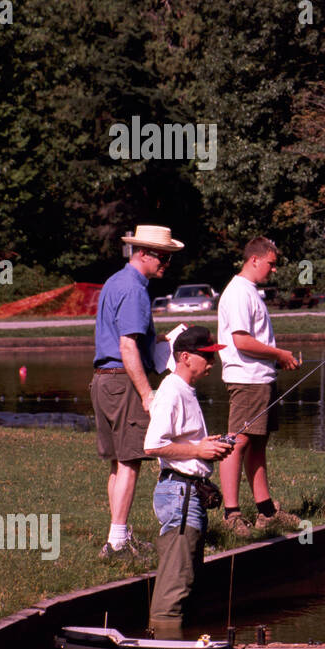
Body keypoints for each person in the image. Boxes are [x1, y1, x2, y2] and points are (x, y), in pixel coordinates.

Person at [92, 224, 184, 560]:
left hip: (103, 379)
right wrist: (146, 393)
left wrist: (160, 341)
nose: (167, 263)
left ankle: (119, 534)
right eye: (163, 256)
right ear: (142, 253)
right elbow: (127, 345)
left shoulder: (115, 282)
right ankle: (117, 543)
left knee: (118, 463)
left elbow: (127, 339)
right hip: (124, 381)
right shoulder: (135, 290)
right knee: (131, 460)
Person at [144, 325, 233, 637]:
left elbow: (180, 439)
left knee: (188, 577)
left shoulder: (186, 391)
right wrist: (198, 449)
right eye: (206, 357)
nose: (212, 363)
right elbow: (153, 445)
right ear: (184, 357)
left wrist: (208, 445)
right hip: (179, 494)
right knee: (175, 584)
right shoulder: (171, 391)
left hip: (189, 494)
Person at [217, 237, 302, 536]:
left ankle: (266, 510)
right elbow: (240, 341)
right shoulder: (239, 292)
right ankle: (231, 514)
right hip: (246, 379)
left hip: (260, 377)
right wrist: (278, 354)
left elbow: (251, 341)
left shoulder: (251, 292)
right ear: (254, 260)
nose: (273, 270)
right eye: (271, 263)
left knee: (258, 443)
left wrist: (275, 361)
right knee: (237, 443)